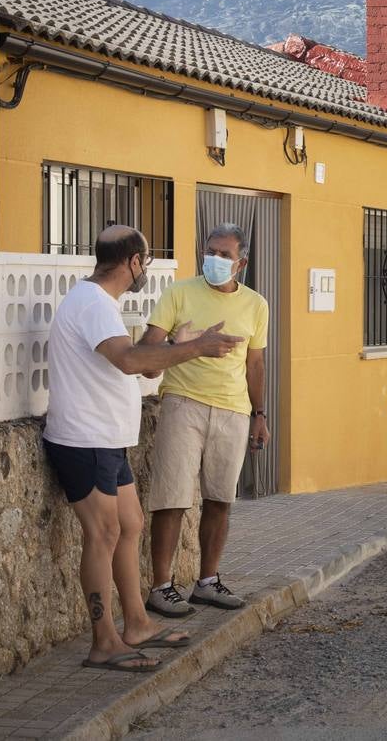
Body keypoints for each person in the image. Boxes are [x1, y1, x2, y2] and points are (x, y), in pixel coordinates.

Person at [44, 225, 243, 672]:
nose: (145, 269)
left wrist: (184, 345)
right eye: (146, 261)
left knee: (130, 524)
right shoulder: (94, 304)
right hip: (85, 439)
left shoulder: (100, 303)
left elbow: (140, 363)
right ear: (133, 262)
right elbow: (131, 360)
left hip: (108, 441)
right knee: (103, 534)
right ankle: (104, 642)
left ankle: (136, 624)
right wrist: (196, 349)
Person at [141, 223, 270, 617]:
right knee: (172, 498)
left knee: (220, 500)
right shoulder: (179, 292)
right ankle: (161, 587)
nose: (214, 259)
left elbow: (256, 362)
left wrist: (259, 415)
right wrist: (187, 345)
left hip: (233, 411)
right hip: (183, 404)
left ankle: (207, 583)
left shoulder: (256, 305)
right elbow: (147, 352)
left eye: (224, 255)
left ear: (241, 262)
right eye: (210, 251)